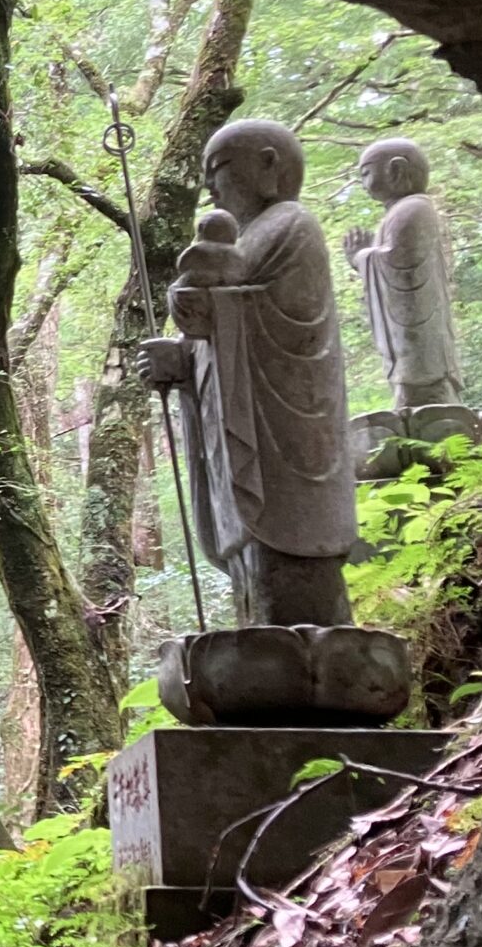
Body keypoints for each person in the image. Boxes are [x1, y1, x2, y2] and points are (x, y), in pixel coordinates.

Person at [139, 119, 358, 627]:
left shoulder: (288, 224)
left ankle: (301, 647)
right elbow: (216, 318)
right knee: (252, 579)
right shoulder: (255, 234)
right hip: (240, 421)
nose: (209, 188)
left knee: (289, 584)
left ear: (268, 164)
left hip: (284, 432)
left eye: (218, 169)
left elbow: (241, 307)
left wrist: (204, 314)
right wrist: (181, 359)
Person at [342, 137, 467, 411]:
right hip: (410, 327)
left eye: (366, 173)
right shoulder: (401, 211)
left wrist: (360, 256)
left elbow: (400, 264)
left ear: (396, 170)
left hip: (417, 323)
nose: (363, 184)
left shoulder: (412, 209)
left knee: (424, 395)